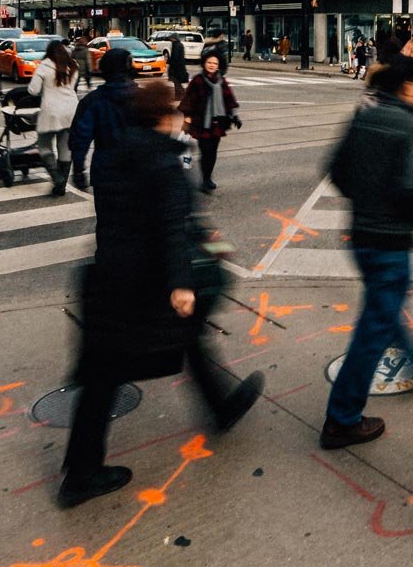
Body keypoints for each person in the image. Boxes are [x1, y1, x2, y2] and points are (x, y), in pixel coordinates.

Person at [60, 80, 265, 507]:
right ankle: (80, 474)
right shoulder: (162, 160)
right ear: (160, 118)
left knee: (159, 351)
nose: (182, 117)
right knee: (112, 373)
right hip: (146, 282)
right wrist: (181, 283)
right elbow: (171, 225)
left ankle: (221, 405)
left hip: (111, 273)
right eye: (175, 111)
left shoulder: (115, 151)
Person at [321, 57, 413, 448]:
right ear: (408, 87)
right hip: (390, 242)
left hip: (360, 234)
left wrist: (366, 201)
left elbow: (336, 171)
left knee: (382, 309)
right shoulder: (410, 124)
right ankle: (341, 418)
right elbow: (408, 190)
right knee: (372, 331)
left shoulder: (363, 114)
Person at [70, 48, 137, 193]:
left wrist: (78, 169)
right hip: (139, 172)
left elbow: (79, 138)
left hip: (105, 172)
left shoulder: (93, 101)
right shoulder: (145, 99)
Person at [179, 53, 240, 193]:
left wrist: (235, 116)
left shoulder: (221, 81)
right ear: (204, 63)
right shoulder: (198, 80)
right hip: (202, 122)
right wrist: (187, 116)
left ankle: (208, 177)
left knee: (212, 153)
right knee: (205, 151)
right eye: (209, 62)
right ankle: (205, 179)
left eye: (215, 63)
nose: (212, 65)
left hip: (218, 123)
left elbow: (229, 99)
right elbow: (189, 99)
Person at [26, 40, 80, 197]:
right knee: (65, 147)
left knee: (44, 146)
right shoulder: (73, 66)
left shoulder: (44, 66)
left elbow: (33, 90)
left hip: (51, 111)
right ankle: (61, 185)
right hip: (71, 109)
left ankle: (57, 178)